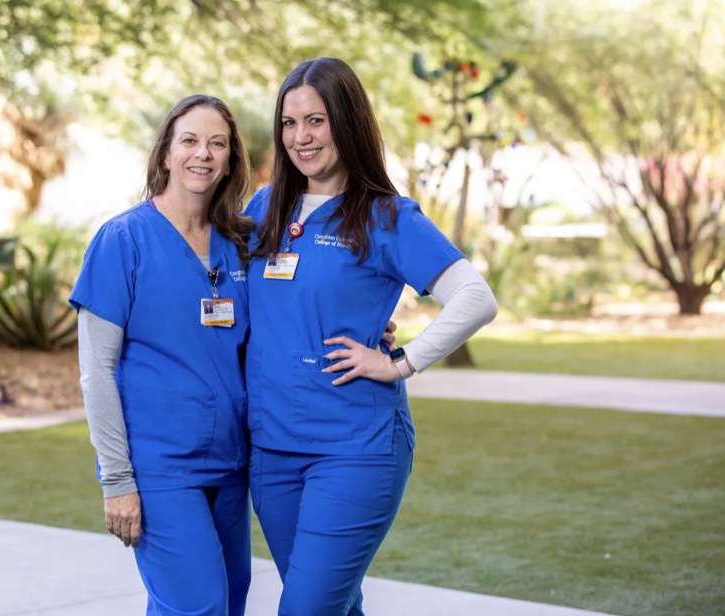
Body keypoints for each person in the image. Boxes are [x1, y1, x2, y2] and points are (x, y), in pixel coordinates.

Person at [244, 57, 499, 615]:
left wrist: (401, 361)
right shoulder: (264, 208)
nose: (300, 137)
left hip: (354, 447)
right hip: (272, 450)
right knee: (333, 605)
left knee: (306, 609)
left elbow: (476, 299)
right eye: (289, 123)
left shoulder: (387, 216)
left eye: (316, 120)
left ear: (347, 120)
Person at [69, 94, 254, 616]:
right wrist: (117, 480)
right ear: (167, 153)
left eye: (218, 143)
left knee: (226, 603)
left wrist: (372, 327)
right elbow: (96, 373)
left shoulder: (239, 244)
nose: (204, 154)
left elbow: (287, 320)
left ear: (230, 160)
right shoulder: (122, 240)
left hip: (231, 464)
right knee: (198, 605)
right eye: (190, 141)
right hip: (160, 468)